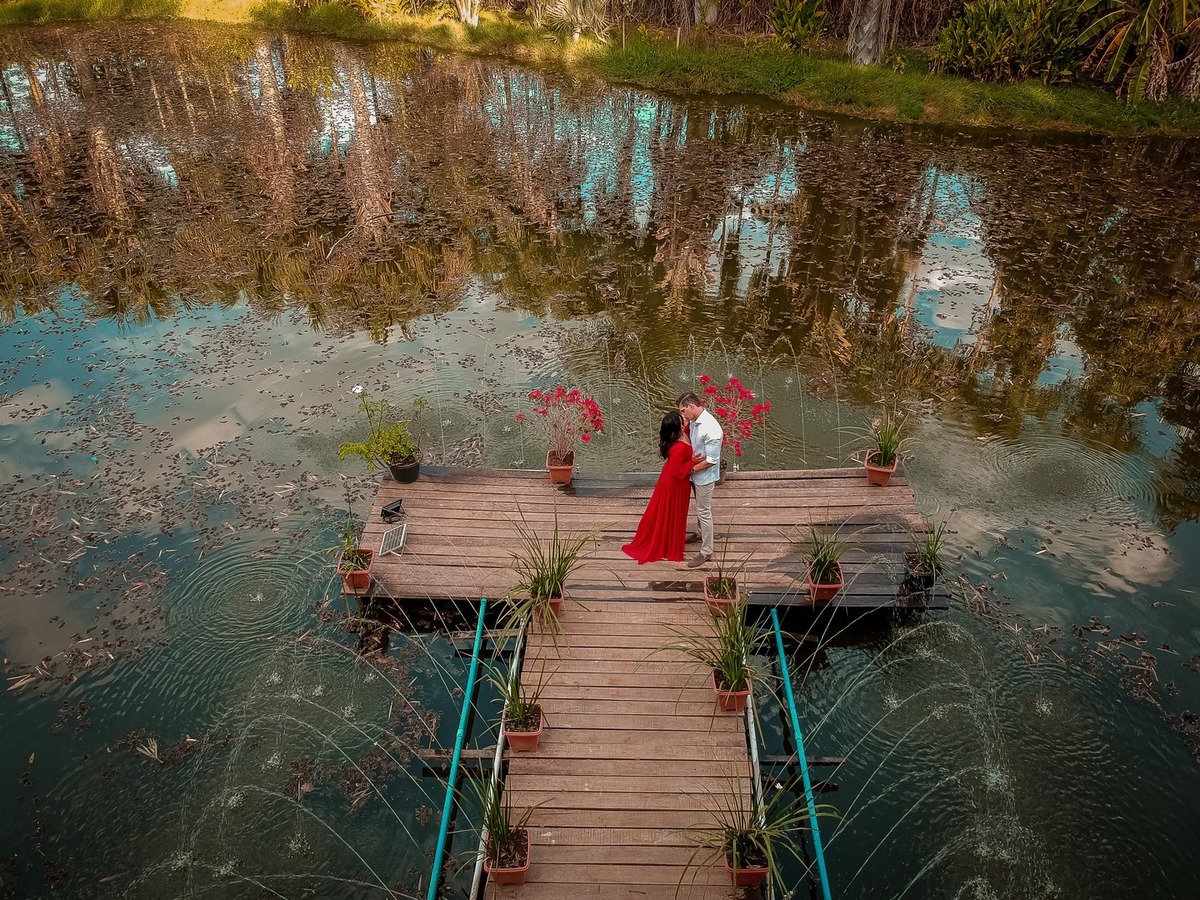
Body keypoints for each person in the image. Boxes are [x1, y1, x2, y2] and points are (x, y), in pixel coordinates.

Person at [622, 412, 697, 565]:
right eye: (681, 418)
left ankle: (669, 538)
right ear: (677, 426)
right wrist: (693, 462)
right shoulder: (678, 448)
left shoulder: (684, 432)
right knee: (672, 511)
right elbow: (679, 472)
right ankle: (668, 543)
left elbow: (689, 427)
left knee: (672, 511)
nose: (683, 417)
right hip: (674, 483)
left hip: (674, 480)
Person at [677, 391, 724, 567]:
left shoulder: (710, 429)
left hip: (704, 476)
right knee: (699, 507)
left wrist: (690, 469)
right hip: (695, 473)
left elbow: (712, 461)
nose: (682, 415)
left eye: (683, 411)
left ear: (692, 406)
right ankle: (698, 533)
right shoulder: (695, 421)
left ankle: (706, 551)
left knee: (704, 512)